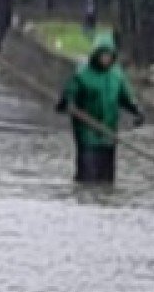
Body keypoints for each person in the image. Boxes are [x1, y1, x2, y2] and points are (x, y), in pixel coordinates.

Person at [56, 33, 144, 184]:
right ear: (96, 55)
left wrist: (137, 111)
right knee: (88, 177)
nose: (105, 59)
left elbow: (126, 98)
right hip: (87, 135)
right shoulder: (82, 75)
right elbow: (66, 100)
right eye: (103, 55)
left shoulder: (117, 76)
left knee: (106, 180)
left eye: (108, 55)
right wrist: (68, 105)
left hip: (108, 135)